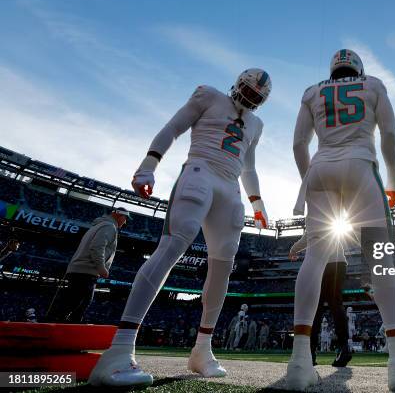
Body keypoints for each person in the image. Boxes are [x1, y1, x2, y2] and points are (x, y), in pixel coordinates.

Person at [88, 69, 272, 387]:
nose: (250, 98)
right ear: (237, 83)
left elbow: (249, 166)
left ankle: (203, 349)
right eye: (248, 91)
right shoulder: (209, 95)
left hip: (230, 188)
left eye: (257, 96)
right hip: (199, 171)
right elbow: (173, 127)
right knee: (173, 245)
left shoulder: (256, 124)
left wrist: (258, 204)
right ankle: (120, 349)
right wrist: (149, 164)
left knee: (223, 266)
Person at [286, 49, 395, 390]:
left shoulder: (312, 91)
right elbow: (390, 135)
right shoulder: (374, 84)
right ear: (358, 68)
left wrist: (313, 178)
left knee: (314, 259)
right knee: (381, 260)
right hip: (360, 165)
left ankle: (298, 363)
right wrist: (394, 181)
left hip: (321, 167)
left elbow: (298, 144)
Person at [46, 208, 129, 323]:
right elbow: (97, 247)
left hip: (80, 269)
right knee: (77, 304)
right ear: (119, 215)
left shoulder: (99, 225)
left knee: (73, 303)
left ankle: (61, 328)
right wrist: (102, 268)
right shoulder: (109, 226)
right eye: (125, 218)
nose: (125, 222)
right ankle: (56, 330)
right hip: (86, 271)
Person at [288, 233, 351, 367]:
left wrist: (293, 249)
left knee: (316, 307)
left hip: (320, 262)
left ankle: (310, 350)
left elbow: (308, 236)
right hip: (339, 262)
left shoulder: (315, 214)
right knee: (336, 304)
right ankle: (343, 346)